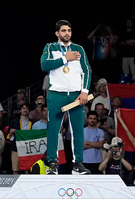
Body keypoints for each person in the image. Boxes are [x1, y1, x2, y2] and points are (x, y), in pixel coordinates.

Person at [40, 20, 91, 175]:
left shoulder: (79, 49)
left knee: (77, 130)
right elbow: (44, 65)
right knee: (53, 130)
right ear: (57, 33)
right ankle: (53, 164)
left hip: (76, 95)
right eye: (63, 30)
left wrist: (84, 91)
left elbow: (87, 71)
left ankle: (78, 164)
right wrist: (65, 58)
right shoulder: (50, 47)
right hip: (56, 94)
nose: (67, 33)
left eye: (69, 30)